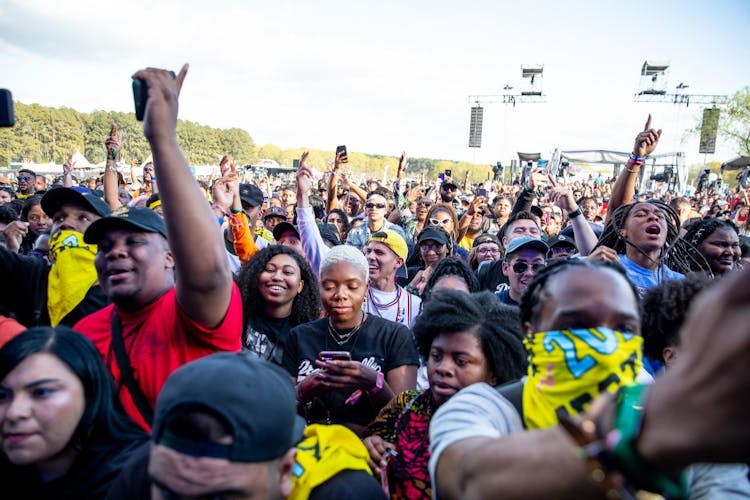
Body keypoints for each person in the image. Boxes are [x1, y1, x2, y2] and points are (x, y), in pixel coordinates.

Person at [74, 64, 242, 431]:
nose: (115, 252)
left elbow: (211, 273)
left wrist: (162, 139)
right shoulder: (84, 335)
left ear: (172, 257)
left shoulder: (194, 316)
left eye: (133, 242)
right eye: (105, 246)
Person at [429, 259, 648, 499]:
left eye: (623, 329)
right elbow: (466, 482)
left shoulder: (653, 401)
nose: (605, 343)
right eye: (576, 326)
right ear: (530, 331)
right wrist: (618, 438)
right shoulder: (481, 409)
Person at [106, 352, 387, 499]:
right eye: (170, 495)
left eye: (220, 499)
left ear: (285, 471)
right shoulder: (147, 470)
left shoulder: (344, 493)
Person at [363, 290, 527, 500]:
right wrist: (371, 446)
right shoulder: (404, 404)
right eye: (436, 356)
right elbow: (370, 440)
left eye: (461, 361)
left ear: (493, 371)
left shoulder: (506, 426)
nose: (443, 368)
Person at [282, 245, 419, 436]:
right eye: (329, 287)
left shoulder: (395, 336)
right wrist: (304, 390)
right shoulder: (299, 336)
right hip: (309, 449)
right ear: (319, 286)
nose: (340, 295)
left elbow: (405, 419)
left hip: (370, 452)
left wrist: (374, 383)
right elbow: (280, 412)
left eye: (352, 287)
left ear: (366, 288)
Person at [0, 326, 147, 499]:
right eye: (2, 395)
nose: (14, 412)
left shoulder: (143, 477)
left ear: (90, 394)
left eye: (42, 392)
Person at [0, 187, 111, 328]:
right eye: (59, 218)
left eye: (83, 218)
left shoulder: (120, 288)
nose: (65, 224)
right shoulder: (35, 274)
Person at [238, 245, 321, 364]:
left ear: (300, 286)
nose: (277, 277)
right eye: (270, 270)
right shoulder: (239, 317)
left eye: (287, 272)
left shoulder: (307, 334)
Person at [364, 229, 422, 328]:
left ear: (398, 262)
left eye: (379, 252)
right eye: (368, 251)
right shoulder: (354, 297)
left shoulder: (414, 305)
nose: (370, 256)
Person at [495, 236, 549, 306]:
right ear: (505, 268)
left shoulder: (558, 308)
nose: (529, 273)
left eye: (537, 267)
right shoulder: (489, 307)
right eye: (520, 266)